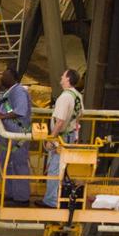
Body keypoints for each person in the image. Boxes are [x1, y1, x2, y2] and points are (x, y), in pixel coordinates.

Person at [42, 67, 84, 207]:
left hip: (61, 138)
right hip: (70, 135)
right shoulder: (77, 96)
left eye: (63, 75)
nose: (61, 77)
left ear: (68, 79)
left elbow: (59, 121)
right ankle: (53, 198)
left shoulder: (64, 97)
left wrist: (51, 138)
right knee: (61, 167)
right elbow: (79, 116)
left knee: (54, 168)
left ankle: (51, 201)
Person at [0, 67, 32, 205]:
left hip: (18, 137)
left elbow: (20, 111)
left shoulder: (19, 92)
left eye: (4, 75)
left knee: (18, 165)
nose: (1, 78)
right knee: (7, 165)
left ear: (12, 78)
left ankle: (22, 199)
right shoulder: (8, 93)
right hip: (9, 137)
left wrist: (3, 116)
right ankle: (10, 195)